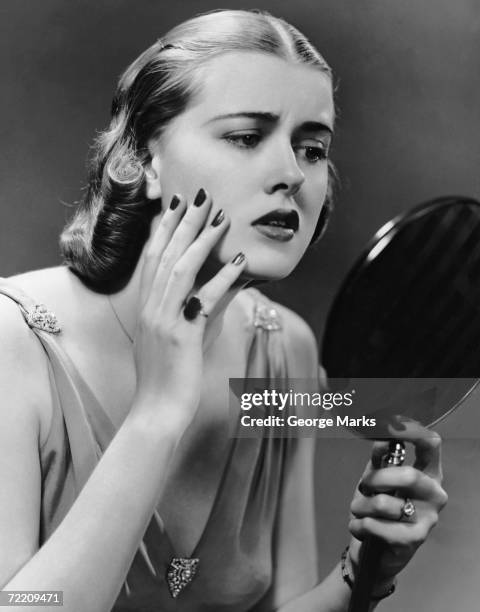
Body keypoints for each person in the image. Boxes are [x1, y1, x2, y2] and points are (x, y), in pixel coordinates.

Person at [0, 9, 447, 612]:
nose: (291, 173)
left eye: (312, 147)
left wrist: (362, 569)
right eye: (244, 136)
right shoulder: (14, 341)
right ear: (140, 160)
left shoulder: (283, 348)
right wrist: (158, 413)